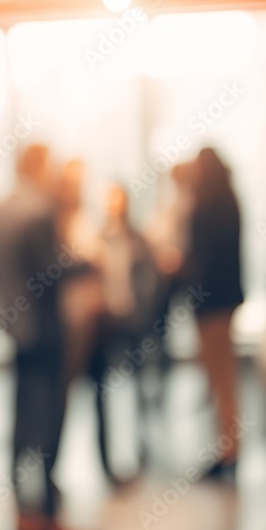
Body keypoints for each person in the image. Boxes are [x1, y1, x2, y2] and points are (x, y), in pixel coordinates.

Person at [0, 144, 93, 530]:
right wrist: (88, 263)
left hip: (17, 328)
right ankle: (45, 510)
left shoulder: (4, 209)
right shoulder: (37, 210)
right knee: (49, 419)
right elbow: (49, 271)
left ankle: (24, 503)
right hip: (43, 329)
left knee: (22, 418)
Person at [176, 148, 245, 479]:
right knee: (224, 377)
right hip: (227, 299)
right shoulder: (230, 200)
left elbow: (198, 258)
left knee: (220, 377)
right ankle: (229, 447)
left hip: (210, 303)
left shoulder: (204, 205)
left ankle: (229, 450)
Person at [86, 185, 160, 485]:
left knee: (138, 387)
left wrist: (142, 310)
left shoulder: (138, 240)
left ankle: (141, 448)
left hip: (132, 321)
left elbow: (150, 279)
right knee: (101, 392)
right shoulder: (96, 239)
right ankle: (107, 460)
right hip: (105, 324)